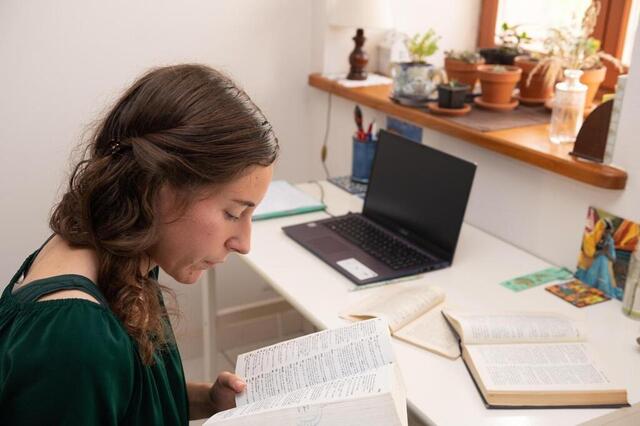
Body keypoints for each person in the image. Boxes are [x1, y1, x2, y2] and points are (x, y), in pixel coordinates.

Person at [0, 64, 279, 425]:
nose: (244, 243)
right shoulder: (75, 336)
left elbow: (124, 400)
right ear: (159, 190)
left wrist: (207, 401)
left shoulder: (115, 250)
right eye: (232, 212)